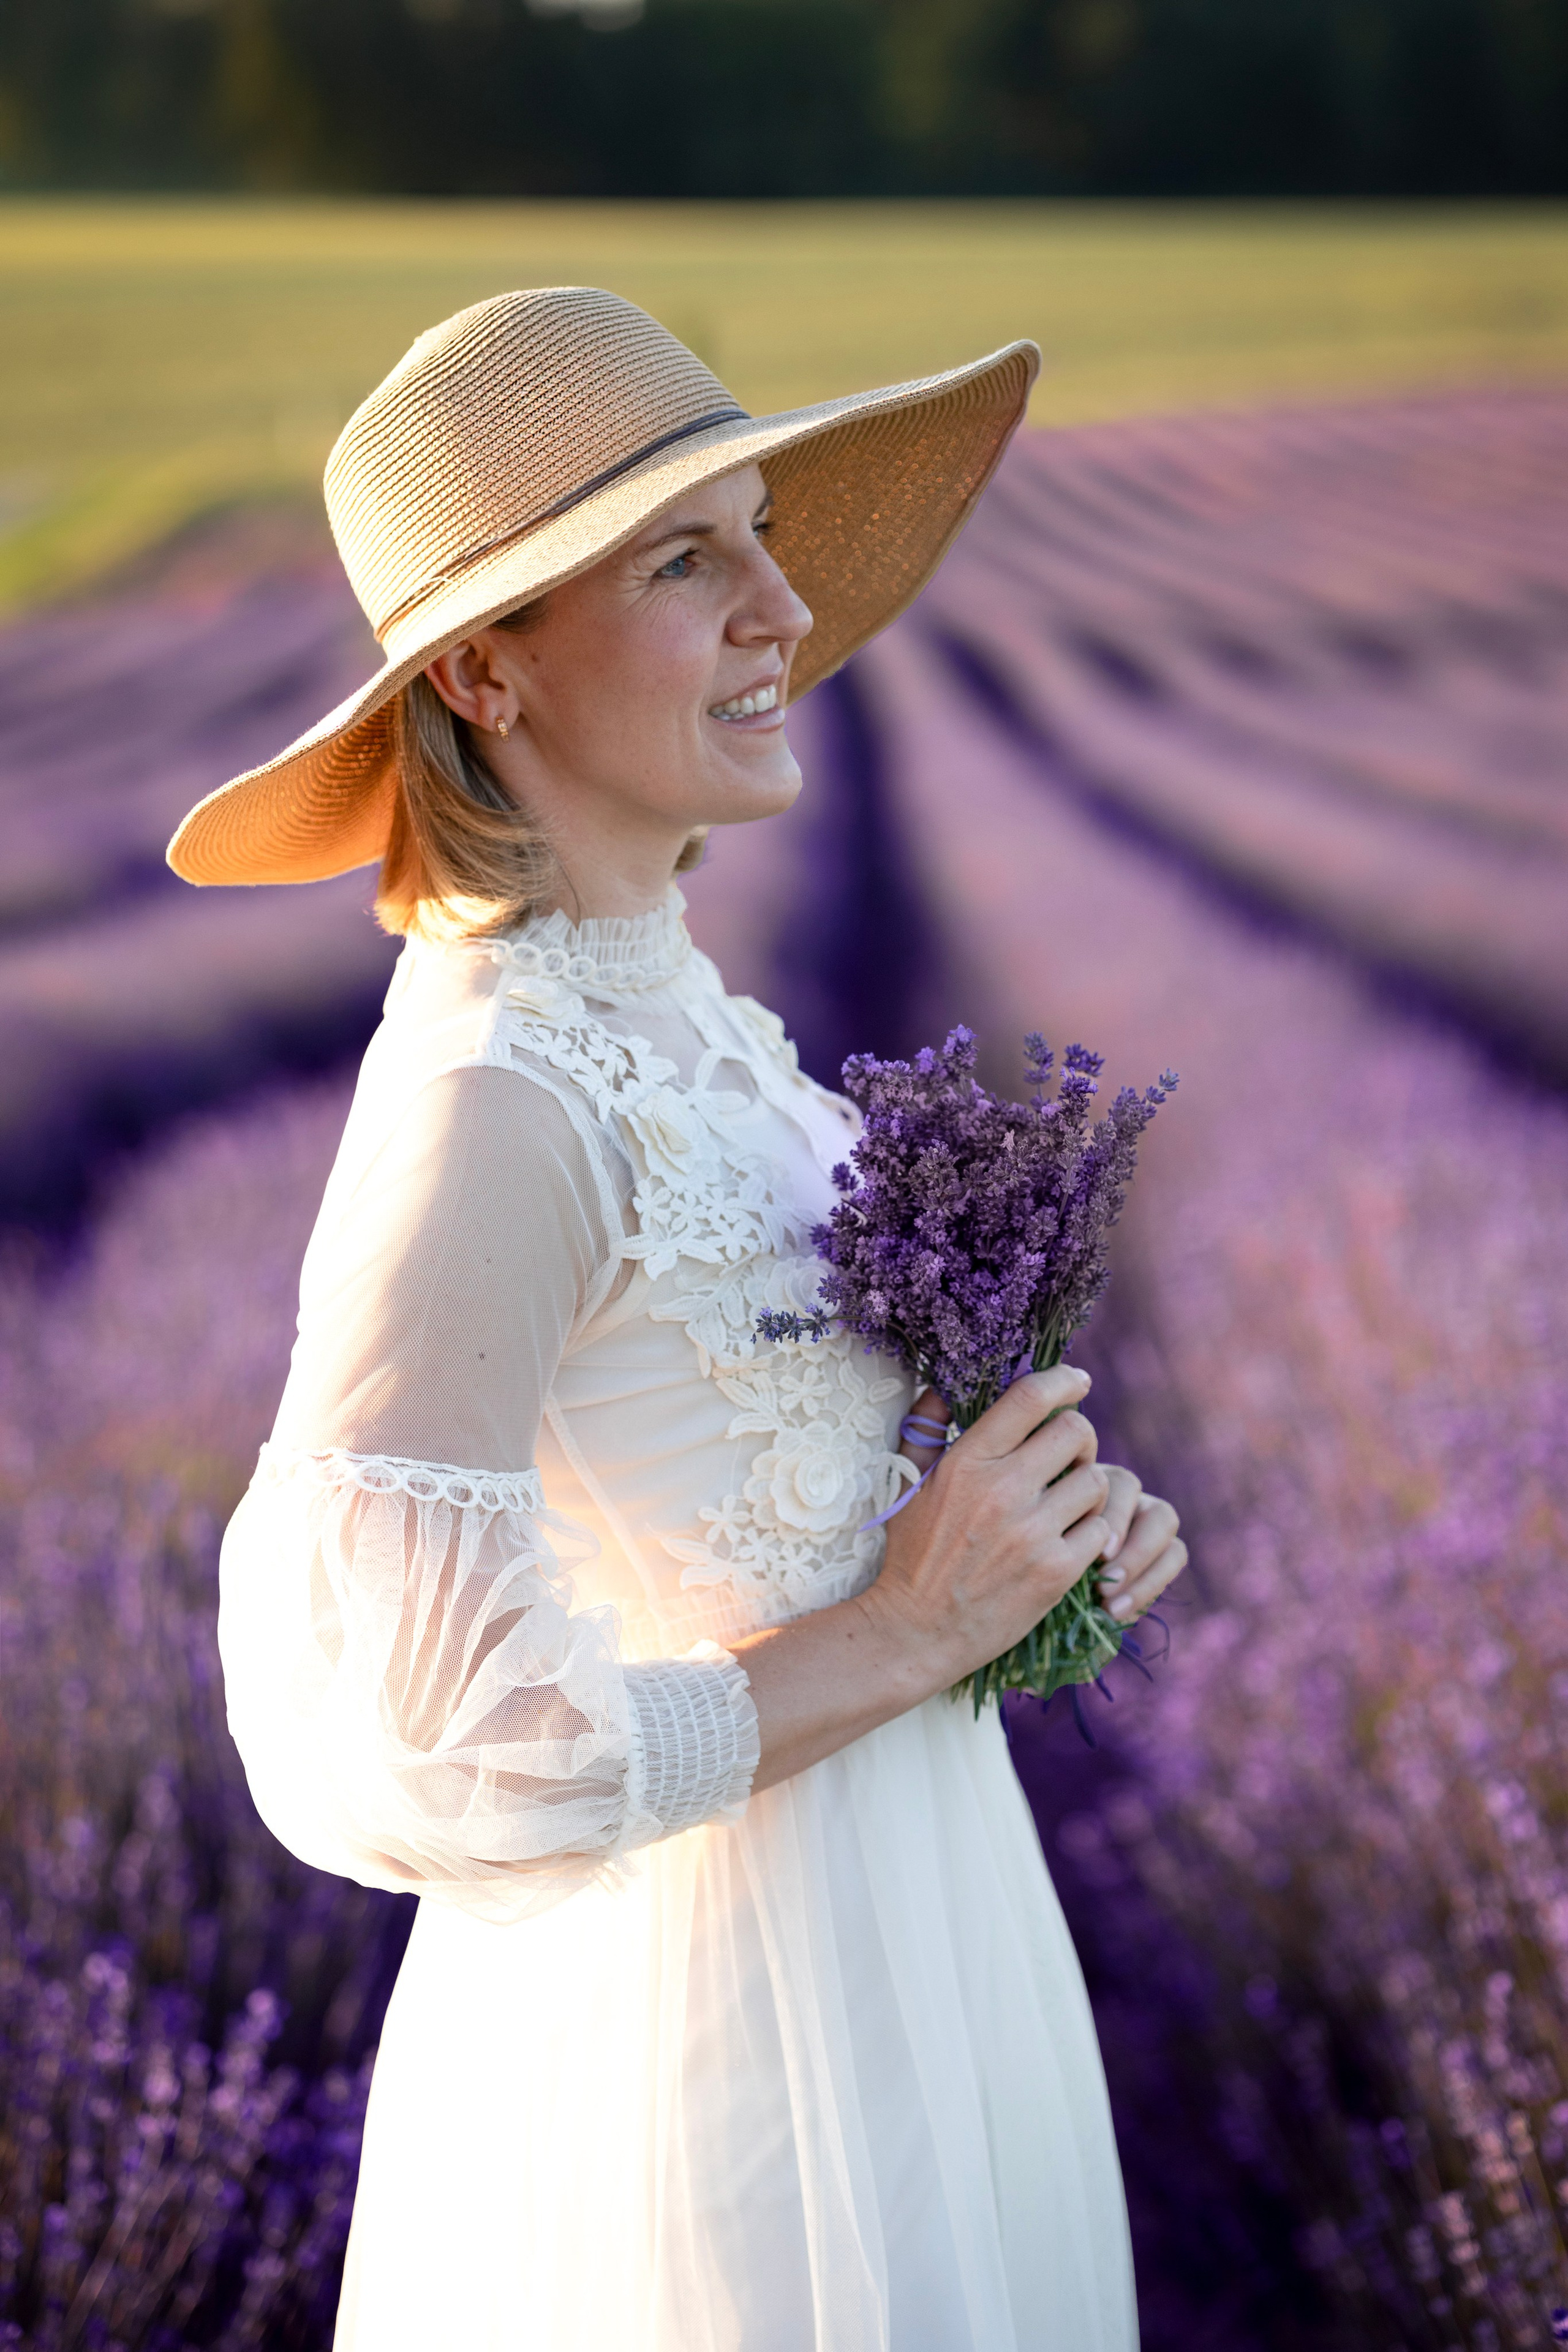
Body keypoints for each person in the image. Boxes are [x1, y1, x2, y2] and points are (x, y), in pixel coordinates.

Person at [168, 287, 1186, 2352]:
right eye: (685, 559)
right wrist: (908, 1622)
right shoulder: (496, 1097)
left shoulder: (688, 1019)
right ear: (486, 667)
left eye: (764, 537)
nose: (780, 611)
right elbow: (410, 1741)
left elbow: (750, 1485)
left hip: (907, 1943)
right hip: (719, 2045)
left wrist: (1029, 1544)